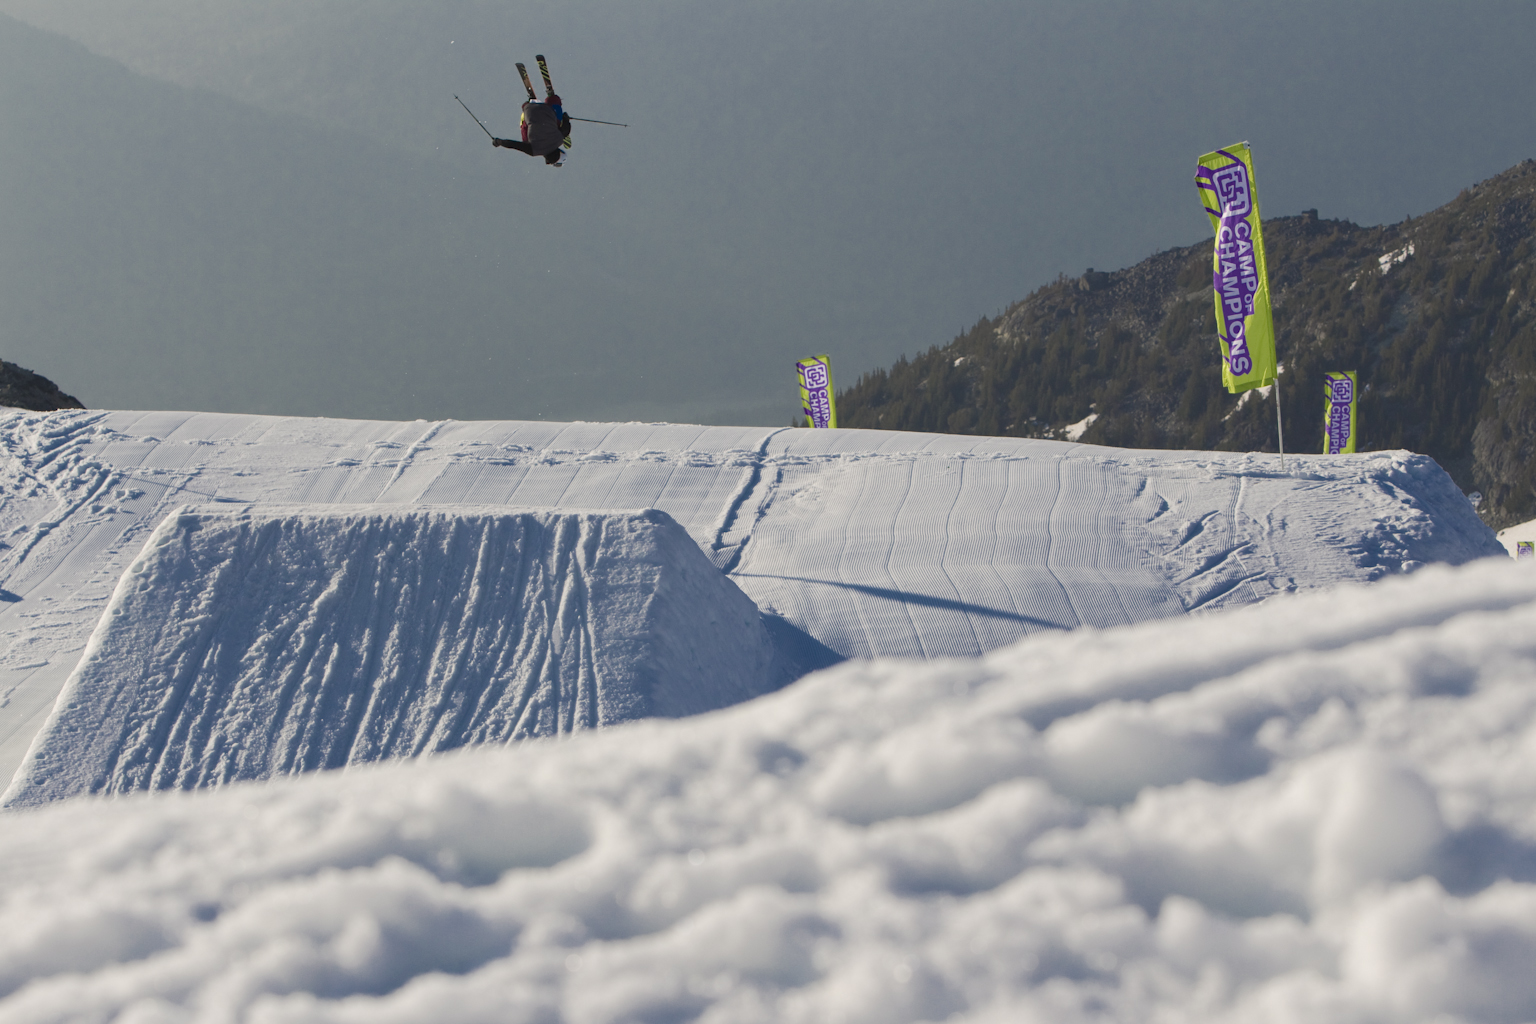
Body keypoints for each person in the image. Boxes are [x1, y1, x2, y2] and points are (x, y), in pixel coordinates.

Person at [493, 94, 572, 166]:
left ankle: (551, 99)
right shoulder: (534, 150)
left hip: (547, 109)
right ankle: (525, 111)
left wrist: (566, 118)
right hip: (529, 109)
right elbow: (514, 145)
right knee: (526, 141)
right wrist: (499, 142)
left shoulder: (559, 139)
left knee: (557, 120)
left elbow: (566, 127)